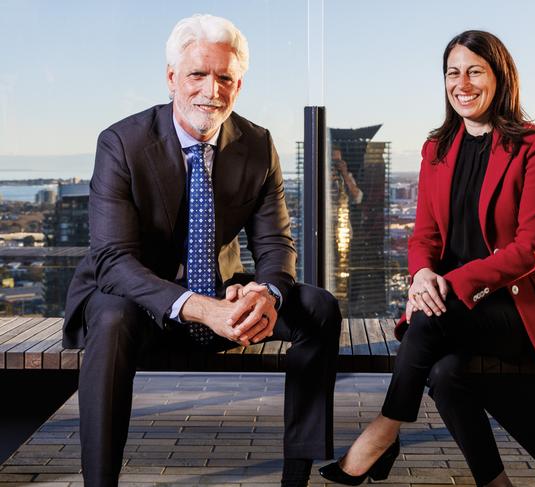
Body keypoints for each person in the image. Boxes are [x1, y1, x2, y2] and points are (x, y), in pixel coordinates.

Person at [63, 14, 341, 487]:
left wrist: (267, 295)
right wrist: (197, 307)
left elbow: (274, 243)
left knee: (319, 308)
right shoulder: (122, 143)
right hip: (135, 302)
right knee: (110, 319)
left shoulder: (257, 144)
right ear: (172, 78)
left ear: (239, 84)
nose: (211, 90)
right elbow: (112, 260)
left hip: (220, 296)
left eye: (225, 78)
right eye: (197, 74)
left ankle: (297, 475)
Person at [319, 30, 535, 487]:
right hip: (453, 308)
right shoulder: (436, 149)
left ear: (500, 78)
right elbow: (424, 234)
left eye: (475, 71)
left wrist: (450, 283)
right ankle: (494, 482)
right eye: (453, 73)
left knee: (427, 321)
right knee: (443, 373)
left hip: (517, 308)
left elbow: (531, 248)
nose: (462, 83)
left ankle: (381, 434)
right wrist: (423, 273)